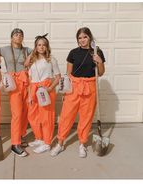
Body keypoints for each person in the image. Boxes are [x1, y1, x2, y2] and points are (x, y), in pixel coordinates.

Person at [50, 27, 106, 158]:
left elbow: (101, 72)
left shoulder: (97, 52)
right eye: (80, 38)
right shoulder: (73, 53)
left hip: (90, 87)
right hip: (74, 87)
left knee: (86, 118)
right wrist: (65, 91)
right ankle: (60, 143)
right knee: (66, 116)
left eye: (85, 37)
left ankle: (82, 144)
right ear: (77, 40)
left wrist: (100, 61)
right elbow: (68, 74)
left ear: (90, 37)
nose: (82, 40)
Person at [0, 28, 32, 157]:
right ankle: (14, 144)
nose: (19, 36)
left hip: (25, 82)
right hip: (13, 84)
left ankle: (21, 136)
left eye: (21, 35)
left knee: (24, 112)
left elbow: (40, 51)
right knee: (16, 114)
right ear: (11, 37)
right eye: (16, 35)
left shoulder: (27, 50)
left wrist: (30, 57)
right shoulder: (5, 49)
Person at [24, 34, 61, 153]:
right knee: (32, 115)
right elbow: (30, 78)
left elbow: (58, 77)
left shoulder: (51, 60)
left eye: (43, 45)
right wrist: (30, 95)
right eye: (38, 45)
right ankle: (39, 137)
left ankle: (47, 142)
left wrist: (49, 89)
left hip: (46, 88)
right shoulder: (32, 61)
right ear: (35, 47)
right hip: (34, 88)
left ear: (47, 47)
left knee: (46, 117)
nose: (41, 47)